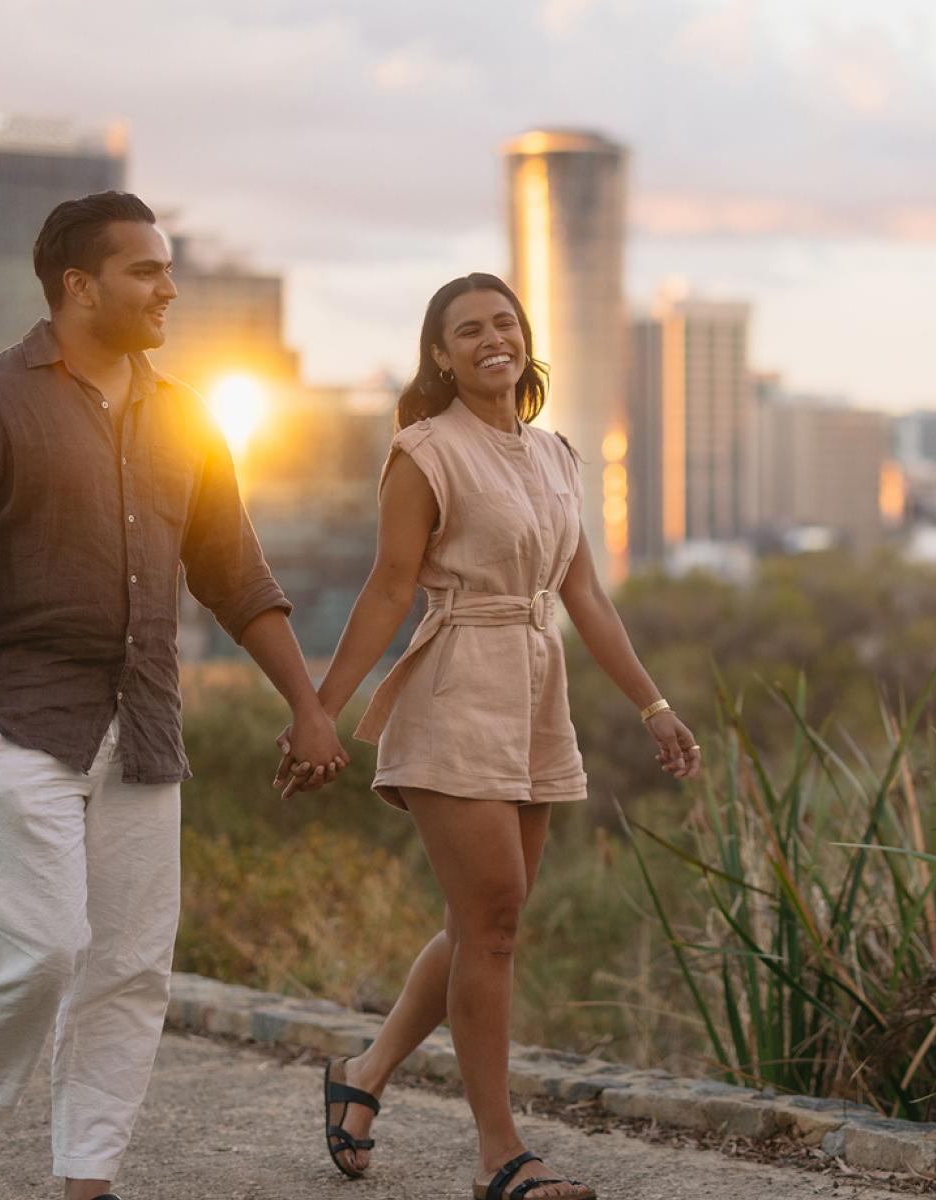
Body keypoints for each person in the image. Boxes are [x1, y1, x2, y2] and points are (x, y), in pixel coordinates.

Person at [0, 190, 347, 1200]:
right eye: (146, 270)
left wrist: (308, 705)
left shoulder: (184, 419)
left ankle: (84, 1180)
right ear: (77, 286)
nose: (168, 287)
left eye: (167, 267)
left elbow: (237, 576)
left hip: (144, 735)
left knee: (129, 972)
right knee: (41, 950)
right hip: (18, 727)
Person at [288, 273, 701, 1199]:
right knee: (495, 923)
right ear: (441, 354)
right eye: (466, 330)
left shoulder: (555, 454)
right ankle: (499, 1153)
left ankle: (362, 1076)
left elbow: (584, 595)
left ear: (525, 338)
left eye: (503, 322)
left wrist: (652, 703)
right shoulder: (423, 452)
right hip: (455, 683)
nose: (490, 339)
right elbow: (389, 588)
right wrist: (321, 709)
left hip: (533, 690)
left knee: (486, 924)